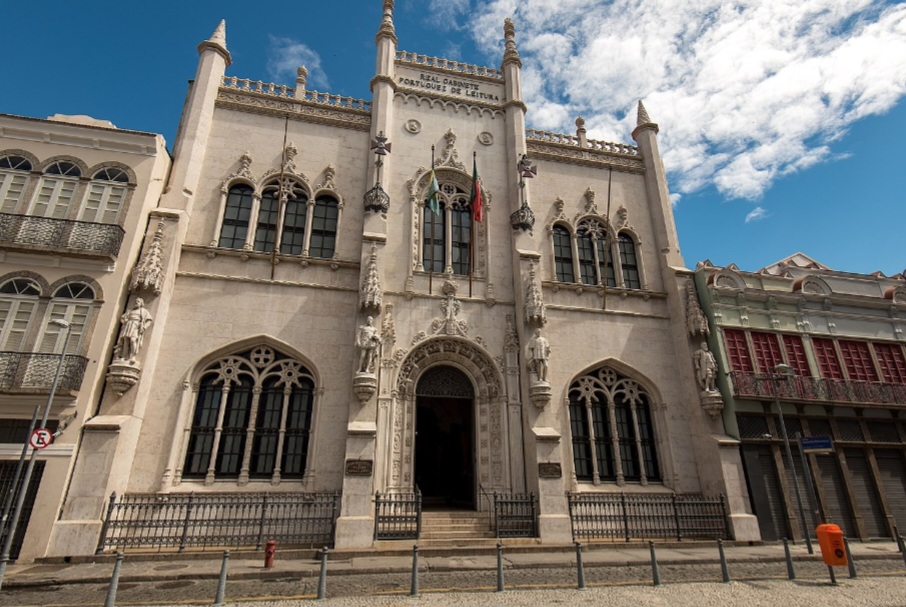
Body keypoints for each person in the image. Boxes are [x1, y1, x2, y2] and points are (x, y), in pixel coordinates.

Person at [115, 298, 153, 362]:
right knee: (126, 340)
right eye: (135, 301)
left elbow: (149, 320)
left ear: (141, 304)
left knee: (133, 340)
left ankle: (133, 356)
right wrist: (124, 321)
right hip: (128, 325)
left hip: (136, 326)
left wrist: (144, 327)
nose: (136, 303)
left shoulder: (143, 311)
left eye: (138, 302)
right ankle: (124, 356)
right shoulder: (130, 310)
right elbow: (122, 318)